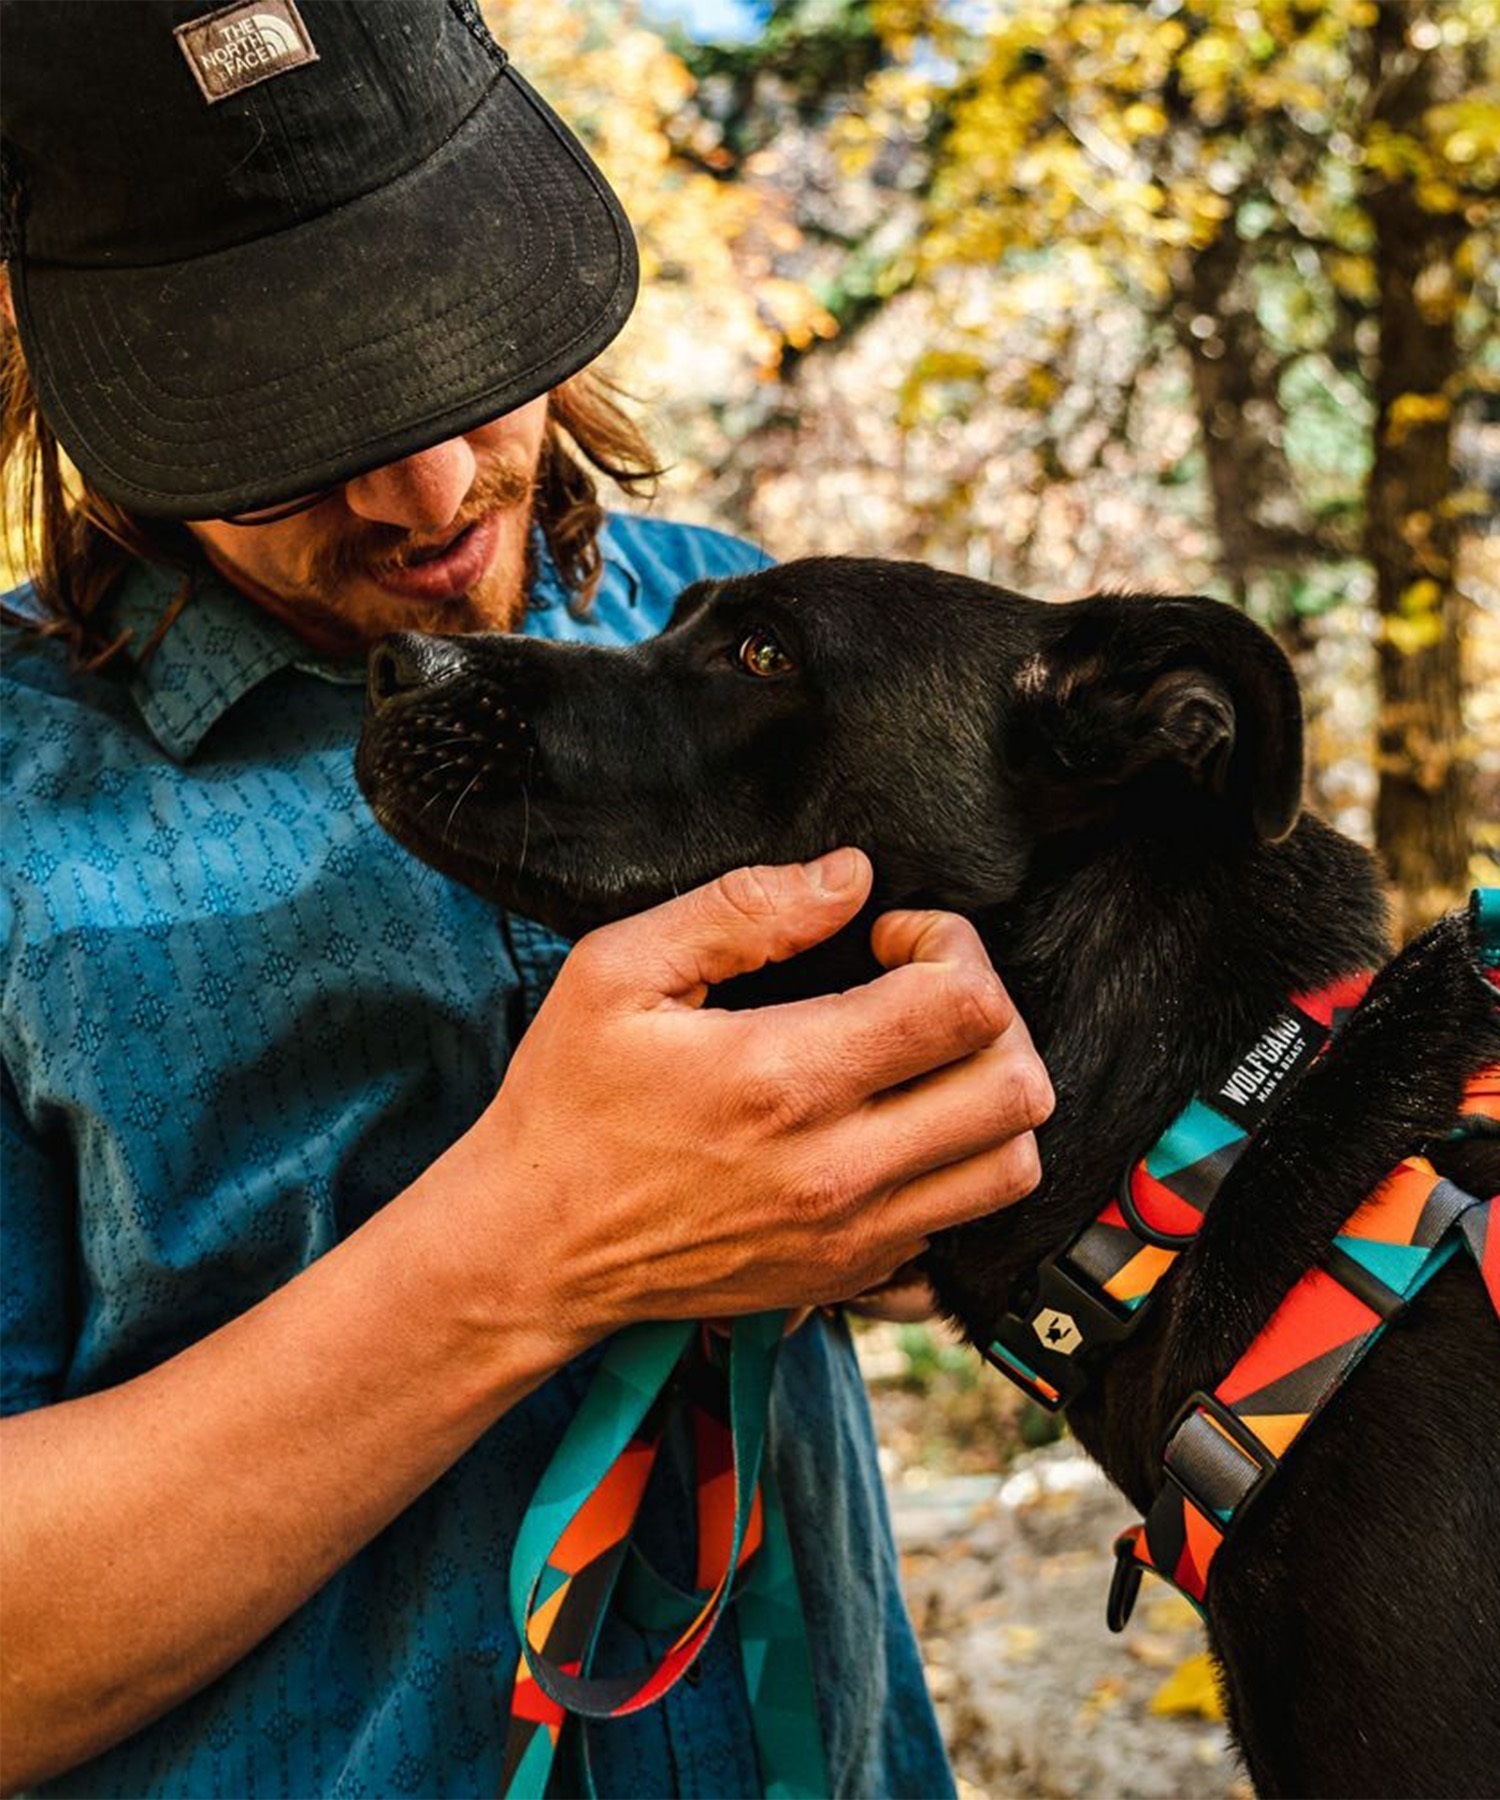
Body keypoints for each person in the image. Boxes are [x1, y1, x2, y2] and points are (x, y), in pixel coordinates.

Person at [0, 4, 1053, 1795]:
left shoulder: (753, 638)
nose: (426, 494)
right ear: (80, 376)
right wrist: (519, 1255)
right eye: (283, 412)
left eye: (456, 350)